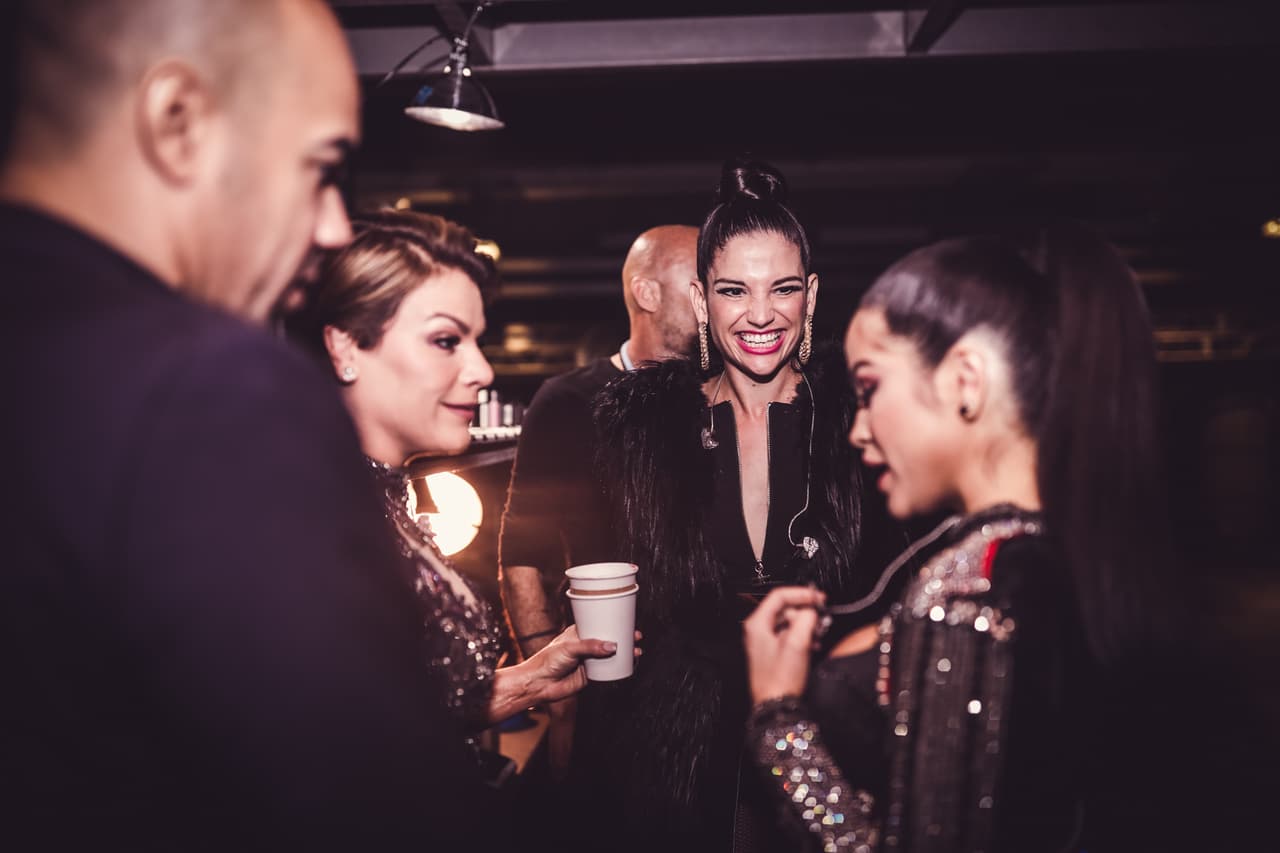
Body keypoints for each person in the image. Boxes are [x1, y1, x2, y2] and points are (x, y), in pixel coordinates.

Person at [0, 0, 489, 846]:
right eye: (321, 166)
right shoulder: (205, 387)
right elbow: (363, 804)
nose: (334, 223)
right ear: (178, 124)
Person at [743, 226, 1188, 851]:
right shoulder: (1065, 557)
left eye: (870, 389)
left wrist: (779, 720)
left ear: (966, 380)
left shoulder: (967, 592)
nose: (858, 430)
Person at [589, 160, 900, 851]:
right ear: (701, 301)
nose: (760, 314)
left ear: (810, 296)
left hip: (828, 747)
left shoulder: (862, 427)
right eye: (734, 290)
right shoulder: (644, 433)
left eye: (782, 288)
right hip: (678, 765)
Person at [286, 208, 627, 777]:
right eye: (447, 340)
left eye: (477, 340)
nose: (483, 369)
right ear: (345, 347)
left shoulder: (379, 501)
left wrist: (528, 680)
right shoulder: (311, 517)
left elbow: (394, 712)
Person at [499, 223, 698, 781]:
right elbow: (522, 549)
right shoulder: (569, 401)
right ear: (647, 293)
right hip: (606, 679)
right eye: (699, 283)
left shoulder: (723, 398)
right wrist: (557, 700)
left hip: (706, 684)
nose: (715, 301)